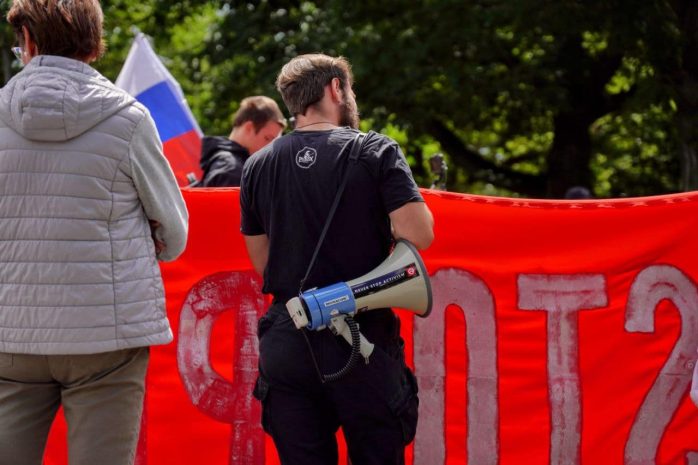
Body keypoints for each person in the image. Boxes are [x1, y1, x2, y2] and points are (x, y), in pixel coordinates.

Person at [0, 1, 188, 465]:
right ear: (93, 42)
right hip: (107, 336)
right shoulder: (129, 118)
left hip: (11, 332)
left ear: (28, 40)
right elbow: (175, 232)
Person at [240, 53, 434, 465]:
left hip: (289, 339)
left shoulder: (257, 164)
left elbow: (263, 262)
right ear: (335, 89)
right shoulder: (376, 150)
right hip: (362, 341)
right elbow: (419, 234)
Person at [196, 96, 287, 187]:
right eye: (267, 138)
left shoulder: (230, 166)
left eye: (275, 142)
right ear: (249, 128)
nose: (271, 148)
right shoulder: (232, 171)